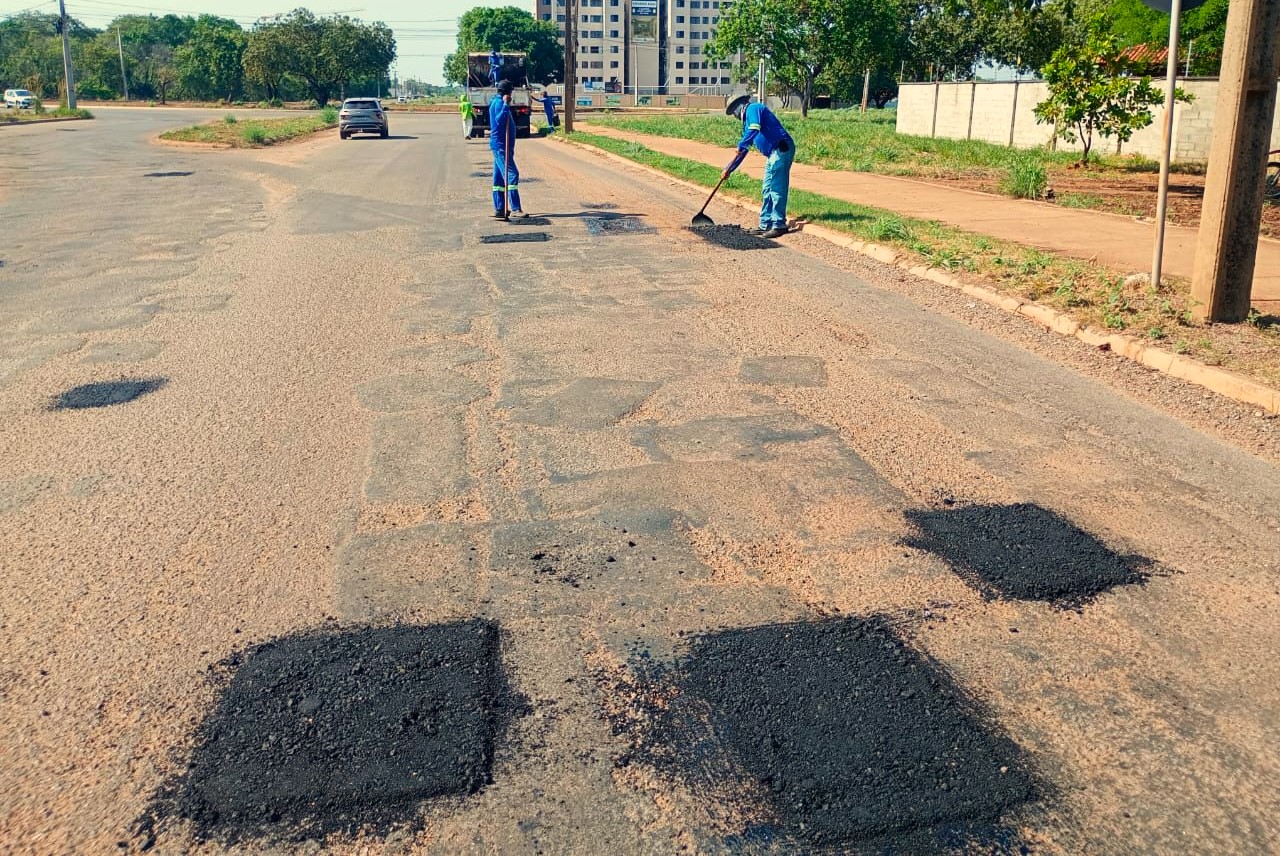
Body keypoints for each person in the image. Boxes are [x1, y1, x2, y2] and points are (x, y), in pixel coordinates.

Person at [721, 94, 795, 239]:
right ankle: (765, 224)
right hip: (772, 154)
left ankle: (779, 224)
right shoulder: (747, 125)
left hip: (781, 149)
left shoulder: (753, 109)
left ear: (740, 106)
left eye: (734, 111)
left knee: (776, 188)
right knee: (767, 189)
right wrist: (729, 168)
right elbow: (743, 150)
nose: (735, 115)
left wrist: (741, 144)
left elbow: (755, 128)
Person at [489, 80, 525, 219]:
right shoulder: (499, 103)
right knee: (512, 174)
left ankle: (499, 208)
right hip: (501, 145)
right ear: (508, 92)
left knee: (499, 178)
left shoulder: (496, 101)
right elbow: (499, 121)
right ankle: (515, 208)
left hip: (503, 146)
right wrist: (506, 104)